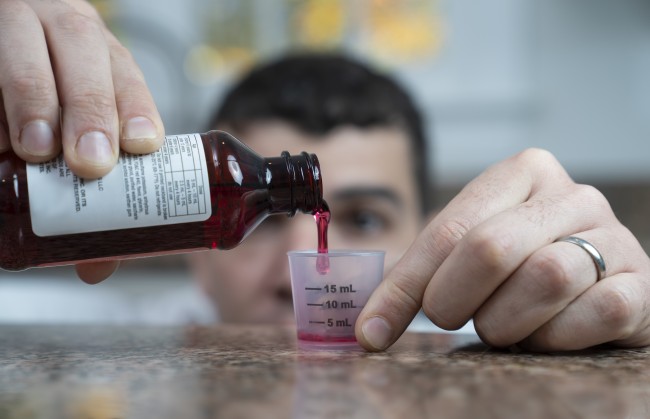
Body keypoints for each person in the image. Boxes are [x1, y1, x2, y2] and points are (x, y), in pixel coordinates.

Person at [2, 0, 650, 353]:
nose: (297, 275)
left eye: (364, 219)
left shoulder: (459, 340)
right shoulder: (111, 342)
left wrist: (621, 313)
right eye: (259, 223)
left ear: (428, 240)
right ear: (194, 253)